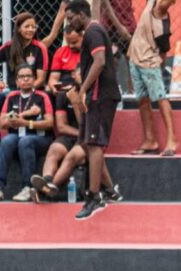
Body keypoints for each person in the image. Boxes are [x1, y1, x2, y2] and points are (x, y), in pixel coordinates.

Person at [66, 0, 122, 220]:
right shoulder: (93, 31)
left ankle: (94, 196)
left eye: (71, 18)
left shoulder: (93, 31)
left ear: (82, 14)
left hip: (100, 95)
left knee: (95, 143)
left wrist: (84, 89)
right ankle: (109, 190)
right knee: (89, 144)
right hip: (97, 95)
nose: (69, 23)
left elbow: (99, 62)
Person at [0, 11, 61, 155]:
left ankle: (48, 139)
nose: (31, 30)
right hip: (12, 92)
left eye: (33, 27)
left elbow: (41, 78)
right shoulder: (8, 47)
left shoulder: (39, 48)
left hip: (35, 92)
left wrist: (26, 90)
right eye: (27, 26)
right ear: (18, 28)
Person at [30, 87, 122, 203]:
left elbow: (86, 125)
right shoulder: (64, 95)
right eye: (77, 72)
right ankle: (46, 180)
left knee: (72, 156)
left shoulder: (93, 96)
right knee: (54, 149)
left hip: (91, 138)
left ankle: (46, 190)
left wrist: (75, 103)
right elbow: (61, 126)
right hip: (72, 136)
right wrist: (81, 134)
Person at [0, 65, 54, 202]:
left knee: (26, 141)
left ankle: (27, 188)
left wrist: (26, 123)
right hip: (17, 136)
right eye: (21, 77)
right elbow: (2, 123)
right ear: (17, 81)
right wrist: (24, 116)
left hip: (40, 138)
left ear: (35, 79)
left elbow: (50, 123)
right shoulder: (12, 96)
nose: (25, 80)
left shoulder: (42, 96)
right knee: (6, 141)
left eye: (28, 76)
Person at [127, 0, 177, 157]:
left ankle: (172, 139)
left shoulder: (161, 20)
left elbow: (163, 50)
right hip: (135, 57)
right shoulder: (152, 3)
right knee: (142, 100)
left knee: (160, 98)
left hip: (149, 60)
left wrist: (158, 66)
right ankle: (150, 140)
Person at [46, 25, 83, 92]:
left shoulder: (90, 52)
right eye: (68, 43)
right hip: (64, 86)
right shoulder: (60, 52)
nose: (71, 46)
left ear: (82, 36)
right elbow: (53, 78)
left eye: (74, 42)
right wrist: (54, 87)